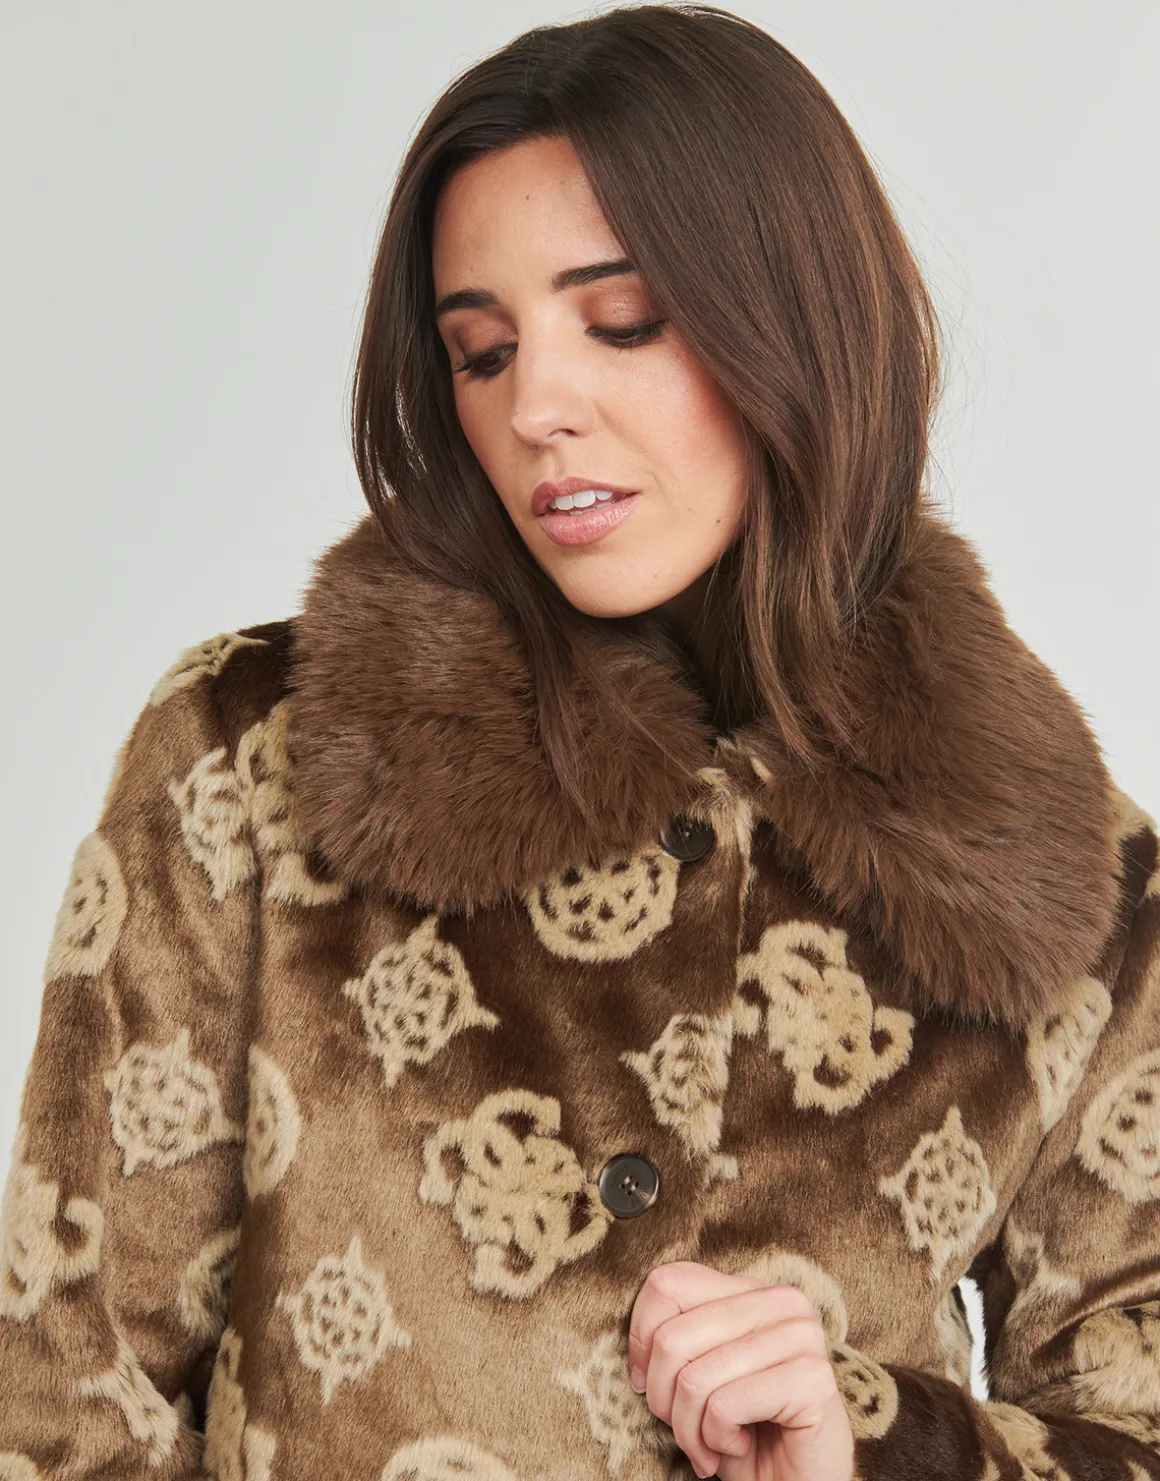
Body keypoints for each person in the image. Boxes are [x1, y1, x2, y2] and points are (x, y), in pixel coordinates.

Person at [1, 5, 1157, 1479]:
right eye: (481, 352)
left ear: (800, 327)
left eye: (622, 323)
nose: (537, 405)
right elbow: (60, 1406)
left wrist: (876, 1442)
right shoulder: (255, 761)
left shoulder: (1074, 882)